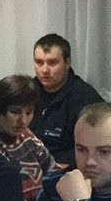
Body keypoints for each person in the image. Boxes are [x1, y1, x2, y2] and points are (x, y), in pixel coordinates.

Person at [0, 74, 57, 201]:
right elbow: (6, 190)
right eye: (15, 112)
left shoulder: (25, 134)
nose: (23, 121)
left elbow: (52, 169)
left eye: (29, 113)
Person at [30, 33, 105, 166]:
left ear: (67, 63)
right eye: (39, 62)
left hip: (64, 168)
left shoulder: (85, 97)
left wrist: (56, 167)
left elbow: (95, 147)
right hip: (25, 164)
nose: (44, 70)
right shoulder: (26, 91)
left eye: (52, 62)